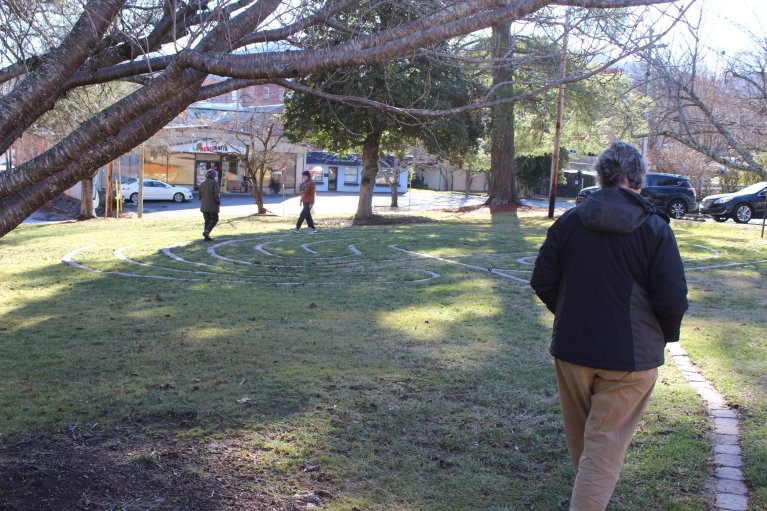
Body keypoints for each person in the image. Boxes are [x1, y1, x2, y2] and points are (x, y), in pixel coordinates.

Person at [530, 141, 688, 511]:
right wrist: (663, 335)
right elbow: (673, 299)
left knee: (591, 444)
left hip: (578, 350)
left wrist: (569, 314)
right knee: (600, 447)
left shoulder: (571, 221)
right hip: (626, 358)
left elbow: (542, 280)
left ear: (601, 176)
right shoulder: (652, 228)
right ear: (637, 179)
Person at [198, 168, 220, 241]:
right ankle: (207, 232)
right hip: (212, 206)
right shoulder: (214, 182)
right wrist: (218, 202)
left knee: (207, 220)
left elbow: (199, 195)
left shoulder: (202, 183)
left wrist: (203, 201)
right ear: (214, 175)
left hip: (204, 206)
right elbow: (216, 195)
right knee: (215, 219)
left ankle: (206, 237)